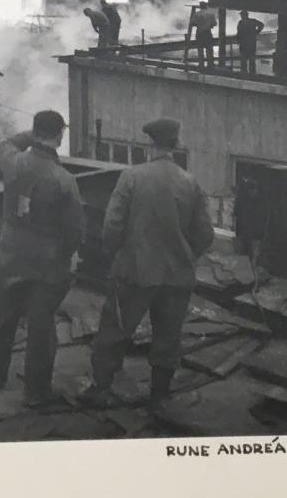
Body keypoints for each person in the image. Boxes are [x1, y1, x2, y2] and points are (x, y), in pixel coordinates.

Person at [78, 118, 216, 420]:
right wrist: (184, 254)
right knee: (168, 338)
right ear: (175, 145)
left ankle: (101, 388)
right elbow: (206, 234)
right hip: (176, 276)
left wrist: (115, 254)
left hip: (135, 271)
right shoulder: (190, 183)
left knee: (114, 330)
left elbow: (112, 226)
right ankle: (159, 397)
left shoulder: (131, 177)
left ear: (148, 144)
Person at [0, 110, 84, 409]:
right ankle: (36, 392)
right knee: (41, 327)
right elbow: (76, 231)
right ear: (60, 136)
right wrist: (67, 256)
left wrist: (30, 135)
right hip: (48, 264)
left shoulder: (12, 162)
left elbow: (7, 143)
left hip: (11, 254)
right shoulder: (64, 180)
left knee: (2, 316)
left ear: (35, 132)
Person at [235, 9, 264, 75]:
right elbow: (238, 33)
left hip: (248, 44)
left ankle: (249, 73)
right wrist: (256, 32)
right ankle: (248, 73)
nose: (241, 16)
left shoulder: (249, 21)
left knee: (249, 60)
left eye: (242, 15)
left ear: (245, 15)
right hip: (247, 43)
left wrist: (256, 32)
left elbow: (261, 25)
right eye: (241, 15)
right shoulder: (242, 22)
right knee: (246, 60)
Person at [193, 2, 218, 70]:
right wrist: (209, 25)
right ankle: (210, 65)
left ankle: (201, 65)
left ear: (200, 6)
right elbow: (214, 23)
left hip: (199, 33)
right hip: (207, 33)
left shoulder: (197, 14)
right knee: (209, 49)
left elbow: (193, 23)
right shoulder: (211, 14)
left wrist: (199, 24)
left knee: (200, 49)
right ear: (206, 6)